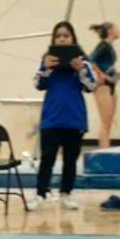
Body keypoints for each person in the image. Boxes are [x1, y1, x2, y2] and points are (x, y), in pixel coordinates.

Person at [32, 20, 98, 211]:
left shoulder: (82, 63)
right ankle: (40, 194)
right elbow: (38, 84)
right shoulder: (45, 61)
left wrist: (81, 71)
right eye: (58, 36)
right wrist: (47, 68)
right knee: (47, 159)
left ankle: (66, 194)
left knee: (70, 160)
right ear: (53, 39)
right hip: (51, 118)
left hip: (74, 118)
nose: (62, 39)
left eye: (66, 36)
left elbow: (91, 87)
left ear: (73, 38)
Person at [89, 22, 120, 148]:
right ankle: (104, 151)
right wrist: (100, 75)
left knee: (108, 122)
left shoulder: (109, 46)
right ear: (110, 30)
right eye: (116, 28)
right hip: (103, 86)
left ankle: (105, 149)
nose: (119, 30)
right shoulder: (103, 45)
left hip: (111, 84)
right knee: (105, 121)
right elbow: (90, 59)